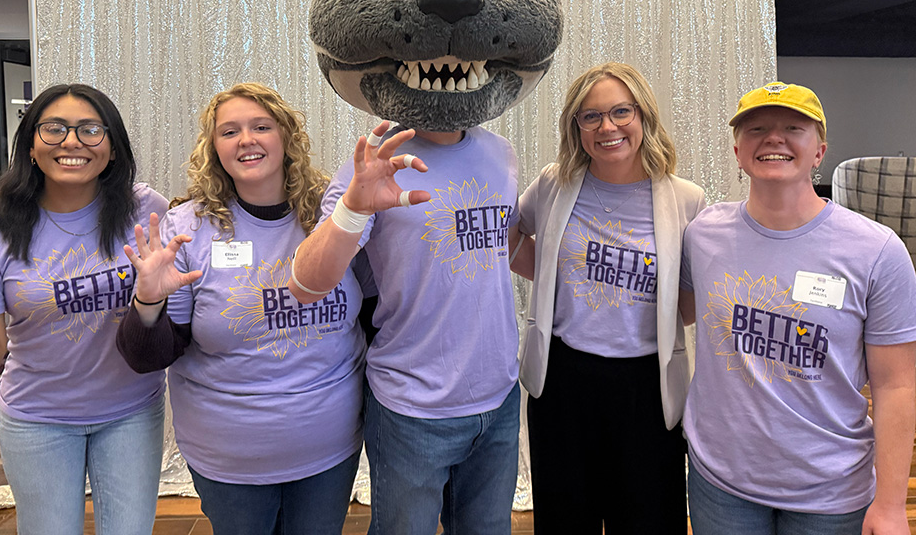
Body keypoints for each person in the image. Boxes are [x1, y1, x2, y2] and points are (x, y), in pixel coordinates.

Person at [116, 82, 367, 535]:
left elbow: (373, 313)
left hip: (329, 447)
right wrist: (148, 300)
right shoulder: (188, 227)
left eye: (261, 127)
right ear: (214, 148)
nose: (246, 140)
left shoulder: (335, 214)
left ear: (287, 136)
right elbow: (149, 357)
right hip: (229, 459)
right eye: (229, 131)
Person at [680, 81, 916, 535]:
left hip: (831, 492)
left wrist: (890, 504)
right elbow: (677, 312)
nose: (774, 138)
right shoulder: (703, 233)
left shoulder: (877, 252)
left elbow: (896, 386)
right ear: (737, 151)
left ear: (819, 151)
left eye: (793, 128)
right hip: (721, 484)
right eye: (756, 128)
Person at [290, 118, 522, 535]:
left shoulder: (500, 152)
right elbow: (306, 286)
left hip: (499, 399)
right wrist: (354, 207)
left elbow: (506, 243)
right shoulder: (376, 163)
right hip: (411, 409)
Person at [0, 83, 167, 535]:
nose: (71, 142)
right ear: (31, 147)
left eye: (90, 130)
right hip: (38, 418)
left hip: (131, 411)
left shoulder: (146, 210)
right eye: (54, 129)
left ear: (113, 148)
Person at [514, 62, 705, 534]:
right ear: (576, 127)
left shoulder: (686, 199)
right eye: (591, 116)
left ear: (643, 116)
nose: (607, 127)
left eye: (621, 111)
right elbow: (513, 238)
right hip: (563, 380)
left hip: (646, 386)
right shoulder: (553, 184)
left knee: (647, 520)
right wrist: (557, 279)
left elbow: (689, 300)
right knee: (564, 521)